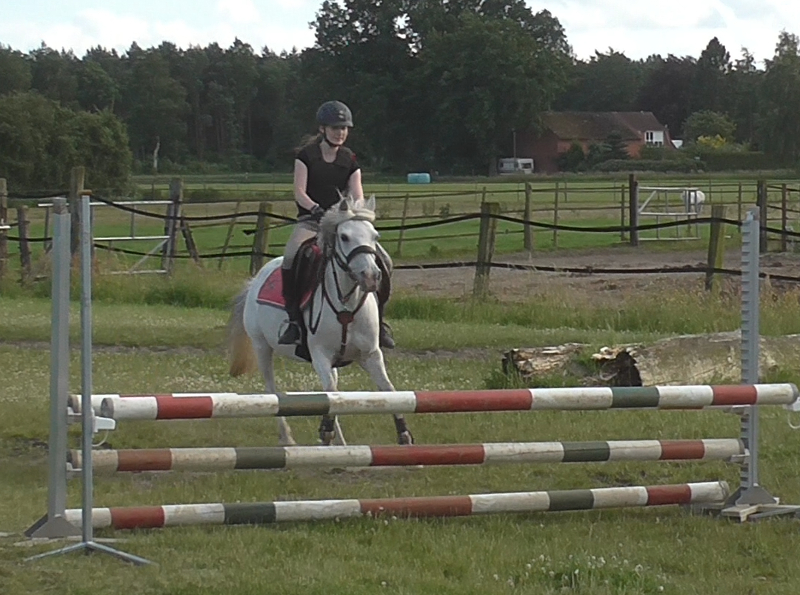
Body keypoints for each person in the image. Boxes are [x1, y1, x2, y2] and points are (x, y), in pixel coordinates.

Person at [278, 100, 395, 349]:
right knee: (291, 257)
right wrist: (316, 209)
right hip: (312, 221)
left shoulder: (349, 159)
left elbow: (357, 194)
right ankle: (293, 320)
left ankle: (380, 321)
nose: (340, 132)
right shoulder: (306, 156)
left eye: (344, 128)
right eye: (335, 128)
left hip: (344, 223)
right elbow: (299, 192)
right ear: (322, 129)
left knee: (384, 261)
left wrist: (356, 211)